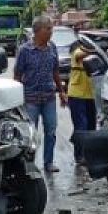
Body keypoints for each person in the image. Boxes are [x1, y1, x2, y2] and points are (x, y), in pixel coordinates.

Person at [14, 15, 67, 172]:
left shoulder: (52, 48)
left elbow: (55, 71)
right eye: (48, 28)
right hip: (30, 99)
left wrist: (62, 92)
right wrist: (16, 98)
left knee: (51, 131)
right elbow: (17, 75)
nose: (51, 32)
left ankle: (48, 162)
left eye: (51, 28)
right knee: (31, 134)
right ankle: (29, 164)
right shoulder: (25, 51)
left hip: (49, 98)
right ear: (37, 31)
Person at [67, 42, 97, 165]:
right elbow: (81, 54)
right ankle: (79, 155)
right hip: (76, 95)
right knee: (81, 126)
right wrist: (95, 49)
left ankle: (88, 154)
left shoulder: (92, 56)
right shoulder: (77, 52)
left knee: (91, 125)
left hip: (90, 95)